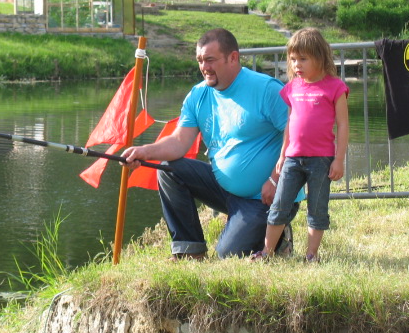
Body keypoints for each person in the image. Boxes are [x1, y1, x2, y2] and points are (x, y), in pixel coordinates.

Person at [122, 28, 302, 260]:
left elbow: (297, 136)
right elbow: (178, 142)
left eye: (210, 59)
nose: (204, 67)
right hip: (225, 190)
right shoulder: (198, 95)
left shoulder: (267, 89)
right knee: (168, 169)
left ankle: (279, 234)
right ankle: (190, 250)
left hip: (268, 196)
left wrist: (275, 179)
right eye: (200, 60)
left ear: (233, 58)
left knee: (228, 257)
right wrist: (143, 152)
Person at [251, 28, 349, 263]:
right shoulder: (292, 87)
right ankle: (267, 252)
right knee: (279, 205)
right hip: (293, 159)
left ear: (320, 57)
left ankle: (311, 255)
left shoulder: (335, 87)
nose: (297, 64)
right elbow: (290, 124)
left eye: (303, 59)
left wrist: (339, 159)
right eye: (293, 59)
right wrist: (282, 155)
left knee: (317, 208)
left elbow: (343, 125)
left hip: (321, 160)